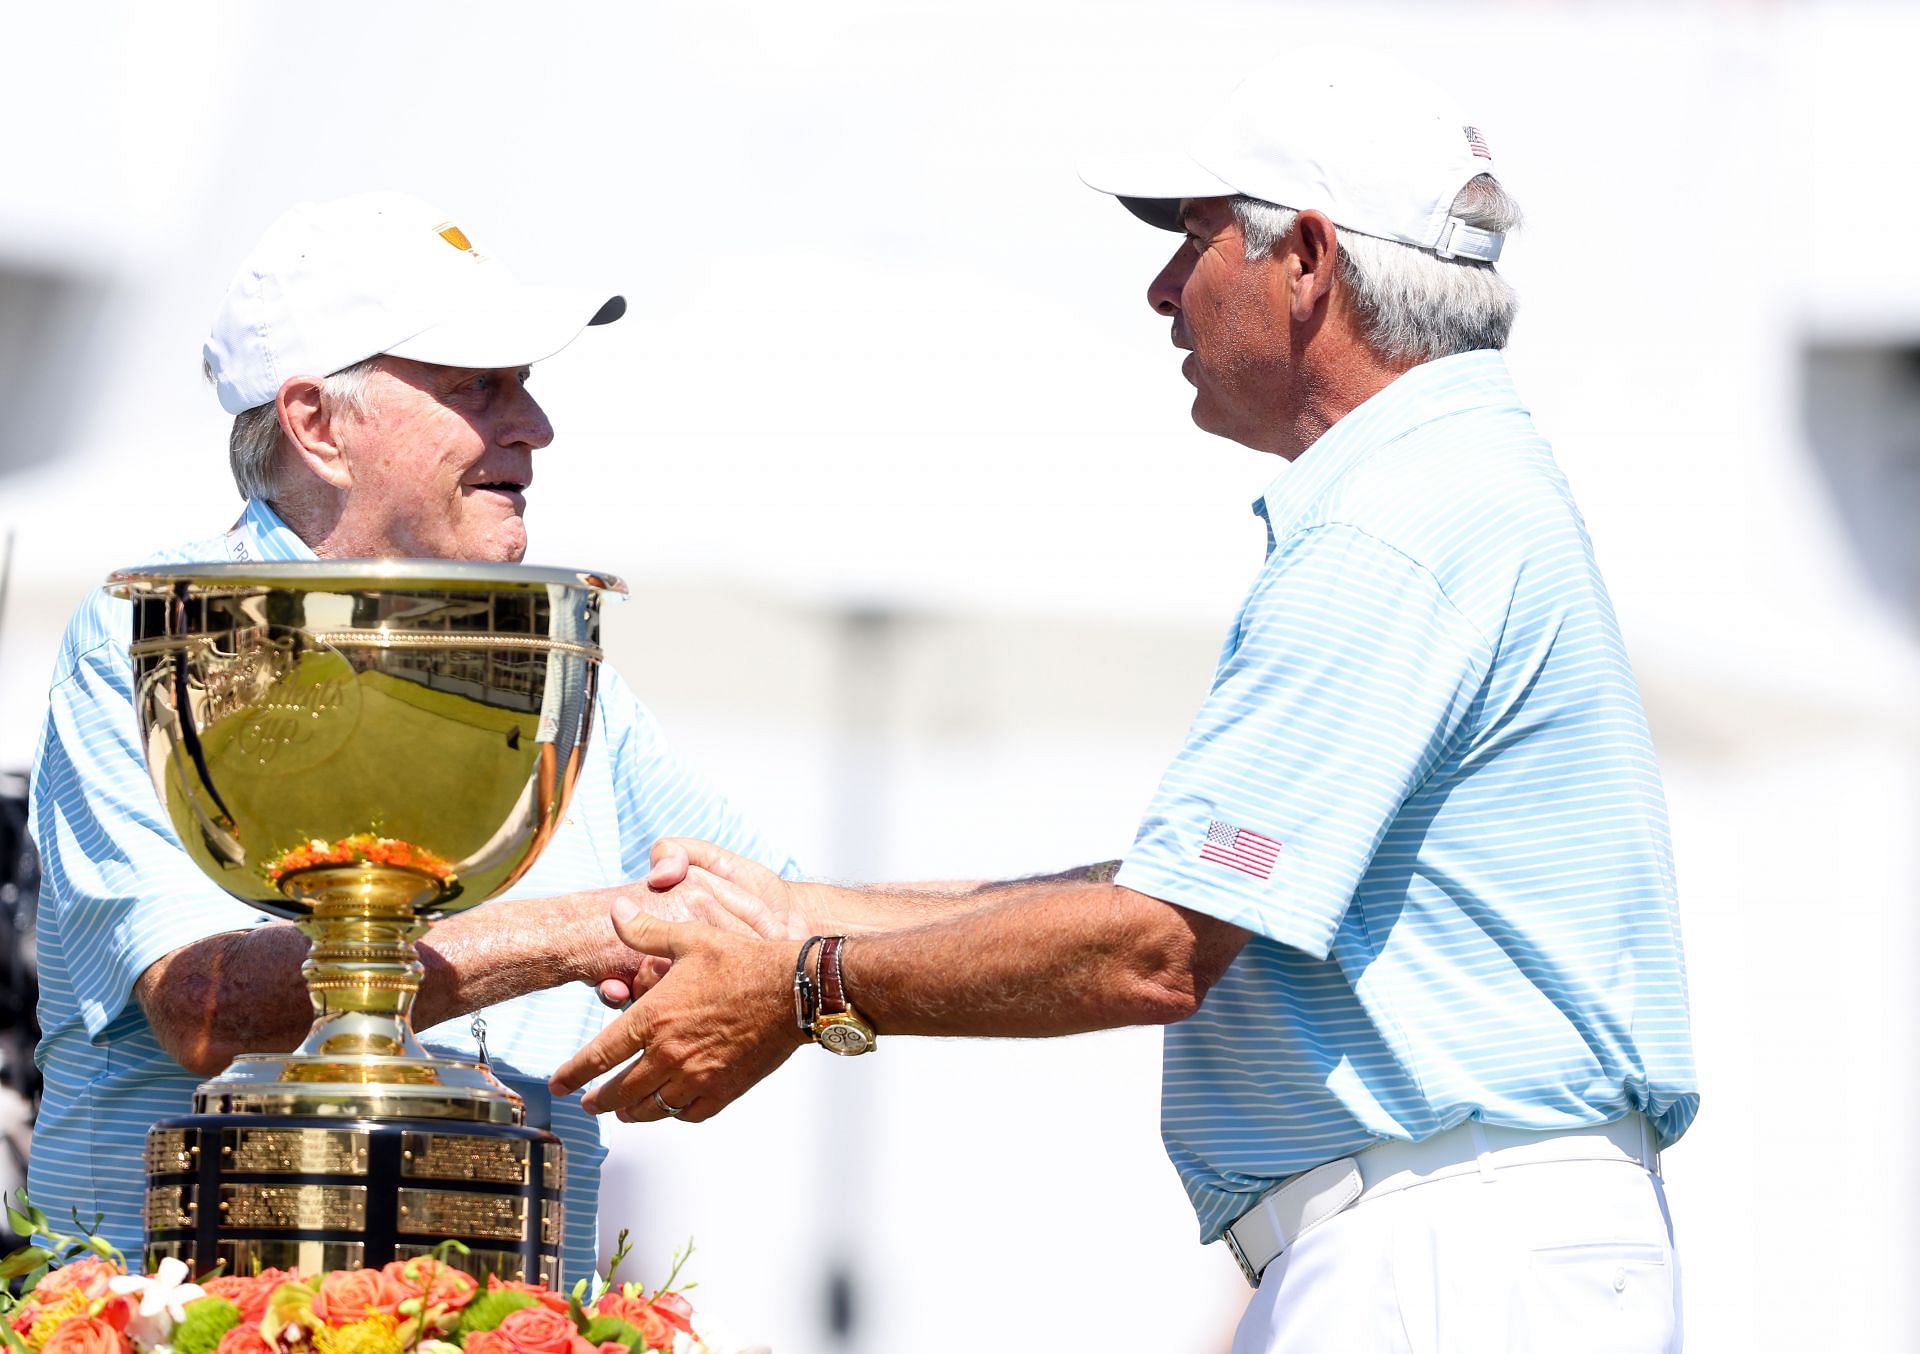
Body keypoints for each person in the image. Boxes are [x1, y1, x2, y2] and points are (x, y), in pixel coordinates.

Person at [550, 49, 1698, 1354]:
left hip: (1442, 1250)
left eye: (1193, 237)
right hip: (1468, 1238)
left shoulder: (1394, 529)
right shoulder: (1450, 488)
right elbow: (1199, 894)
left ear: (1310, 259)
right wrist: (801, 910)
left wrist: (801, 983)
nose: (1162, 288)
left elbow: (1158, 945)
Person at [26, 191, 798, 1282]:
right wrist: (589, 931)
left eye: (525, 384)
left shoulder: (567, 679)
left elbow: (776, 912)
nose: (533, 425)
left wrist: (1089, 922)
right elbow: (205, 1005)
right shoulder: (145, 640)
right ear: (316, 425)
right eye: (479, 384)